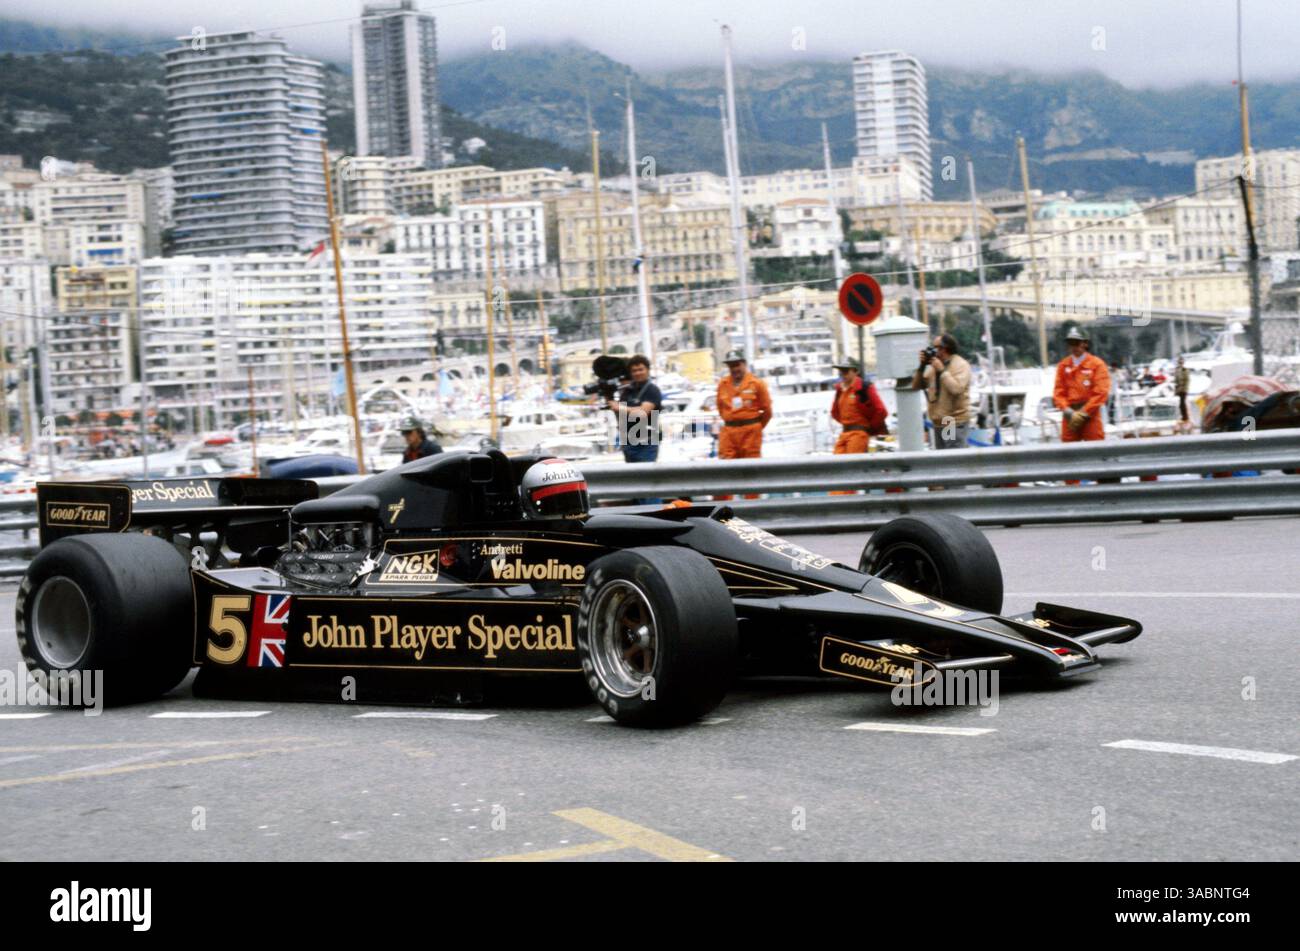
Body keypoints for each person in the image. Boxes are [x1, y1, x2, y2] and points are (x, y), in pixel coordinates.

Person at [910, 333, 972, 450]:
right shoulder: (935, 367)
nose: (933, 351)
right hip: (938, 422)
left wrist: (942, 371)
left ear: (945, 348)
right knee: (944, 459)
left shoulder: (960, 365)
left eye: (936, 347)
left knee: (952, 459)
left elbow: (956, 389)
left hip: (951, 421)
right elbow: (916, 386)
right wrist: (922, 366)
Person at [1053, 327, 1111, 443]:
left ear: (1085, 343)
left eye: (1077, 342)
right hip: (1069, 414)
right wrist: (1068, 412)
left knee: (1096, 449)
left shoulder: (1097, 364)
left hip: (1091, 414)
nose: (1074, 346)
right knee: (1069, 453)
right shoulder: (1063, 366)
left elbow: (1101, 393)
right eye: (1070, 343)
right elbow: (1058, 393)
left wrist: (1083, 413)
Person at [605, 353, 662, 463]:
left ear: (648, 370)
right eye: (634, 371)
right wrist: (608, 397)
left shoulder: (652, 390)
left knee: (645, 476)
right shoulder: (628, 391)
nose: (637, 373)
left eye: (641, 369)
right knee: (633, 478)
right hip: (628, 442)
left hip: (646, 443)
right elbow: (620, 414)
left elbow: (643, 412)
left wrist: (619, 407)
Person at [715, 350, 772, 460]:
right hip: (729, 432)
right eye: (731, 366)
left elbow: (767, 411)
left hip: (751, 433)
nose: (735, 369)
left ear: (744, 364)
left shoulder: (757, 384)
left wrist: (756, 426)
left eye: (737, 365)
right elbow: (720, 408)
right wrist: (732, 420)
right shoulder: (723, 384)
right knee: (726, 466)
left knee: (750, 467)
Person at [830, 357, 887, 455]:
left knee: (851, 465)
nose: (843, 374)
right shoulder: (840, 389)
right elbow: (835, 412)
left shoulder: (864, 387)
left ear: (855, 371)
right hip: (844, 433)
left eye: (846, 371)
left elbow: (881, 411)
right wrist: (847, 423)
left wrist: (867, 427)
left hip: (859, 434)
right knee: (836, 464)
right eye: (841, 372)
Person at [1175, 357, 1191, 423]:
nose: (1180, 363)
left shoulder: (1185, 370)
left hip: (1184, 389)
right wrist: (1176, 389)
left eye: (1181, 362)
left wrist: (1185, 388)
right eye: (1179, 362)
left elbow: (1187, 380)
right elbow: (1176, 380)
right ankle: (1183, 416)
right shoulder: (1177, 369)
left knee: (1182, 403)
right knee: (1181, 404)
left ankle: (1185, 417)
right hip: (1179, 389)